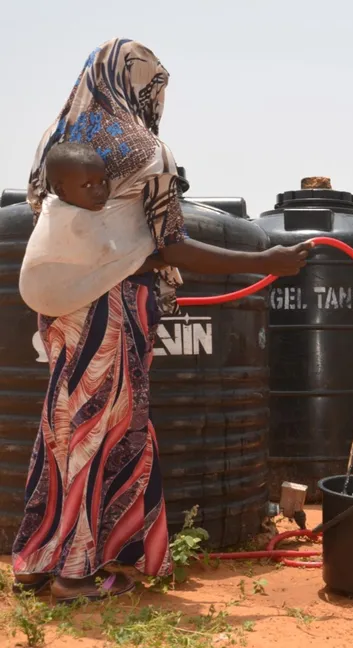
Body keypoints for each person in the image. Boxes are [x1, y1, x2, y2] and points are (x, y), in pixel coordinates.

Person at [13, 38, 314, 602]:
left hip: (58, 309)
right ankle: (76, 573)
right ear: (139, 84)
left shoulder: (54, 142)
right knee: (102, 433)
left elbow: (55, 222)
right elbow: (170, 245)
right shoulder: (147, 151)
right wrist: (264, 260)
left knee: (63, 427)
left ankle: (37, 556)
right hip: (110, 310)